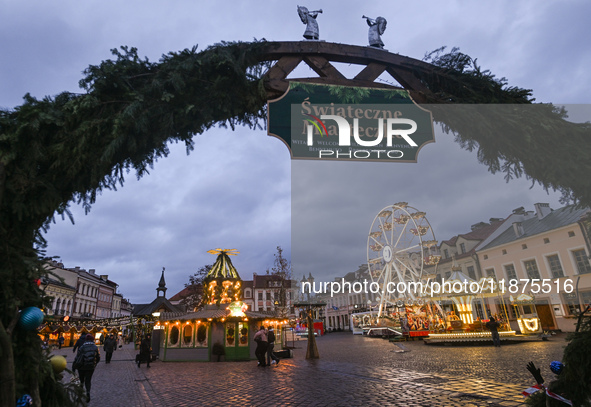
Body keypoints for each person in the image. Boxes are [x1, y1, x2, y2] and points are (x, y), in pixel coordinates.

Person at [73, 334, 100, 402]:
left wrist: (74, 366)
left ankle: (79, 395)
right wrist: (95, 364)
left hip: (81, 367)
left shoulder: (82, 347)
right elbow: (98, 357)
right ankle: (88, 393)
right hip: (90, 367)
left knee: (81, 381)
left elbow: (77, 357)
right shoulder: (95, 347)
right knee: (88, 381)